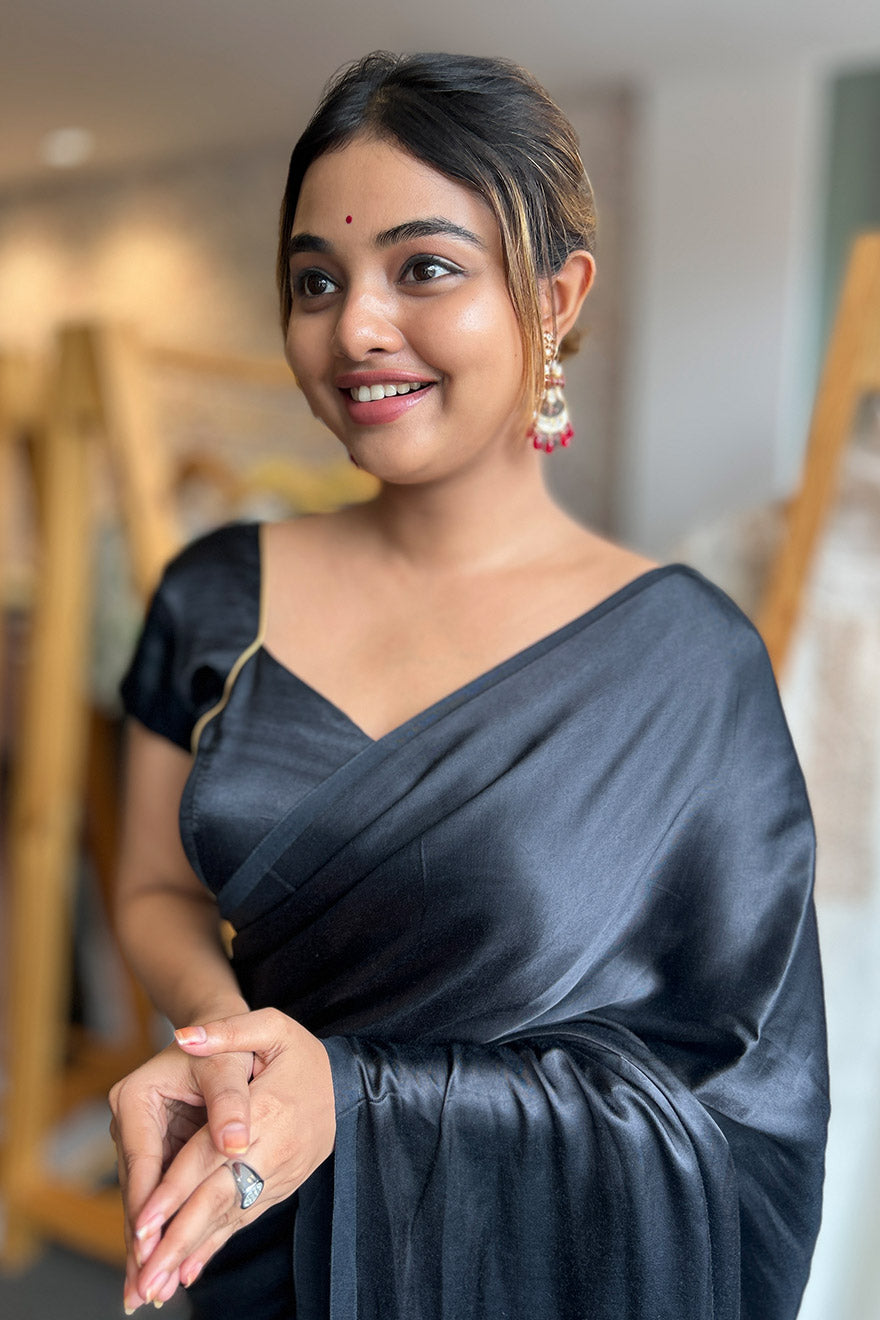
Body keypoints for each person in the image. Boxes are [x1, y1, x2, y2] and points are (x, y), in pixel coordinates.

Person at [109, 51, 829, 1320]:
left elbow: (740, 1110)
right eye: (316, 281)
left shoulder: (685, 663)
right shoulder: (213, 595)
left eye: (424, 268)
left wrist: (357, 1099)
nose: (355, 327)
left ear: (554, 297)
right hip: (260, 1231)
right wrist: (228, 1048)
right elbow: (154, 887)